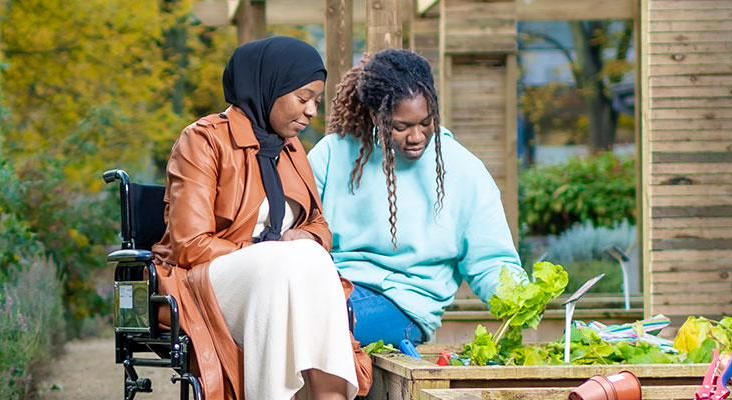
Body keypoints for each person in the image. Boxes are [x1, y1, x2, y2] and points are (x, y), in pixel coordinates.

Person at [152, 36, 365, 400]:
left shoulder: (292, 149)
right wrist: (271, 251)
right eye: (303, 98)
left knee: (309, 258)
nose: (313, 111)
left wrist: (306, 241)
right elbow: (189, 246)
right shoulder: (203, 141)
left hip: (280, 281)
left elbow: (318, 225)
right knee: (285, 265)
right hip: (203, 286)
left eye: (316, 100)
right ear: (269, 87)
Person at [308, 49, 527, 347]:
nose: (416, 136)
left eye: (426, 122)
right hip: (330, 287)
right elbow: (299, 228)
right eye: (401, 127)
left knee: (322, 322)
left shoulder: (464, 170)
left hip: (404, 306)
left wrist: (521, 297)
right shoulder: (332, 154)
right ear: (376, 115)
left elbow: (490, 260)